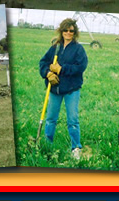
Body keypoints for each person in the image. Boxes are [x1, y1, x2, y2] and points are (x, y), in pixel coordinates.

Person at [39, 18, 88, 159]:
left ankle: (76, 148)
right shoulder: (55, 47)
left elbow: (80, 67)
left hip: (72, 90)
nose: (68, 33)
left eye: (71, 30)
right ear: (61, 31)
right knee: (50, 119)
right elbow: (43, 62)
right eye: (65, 30)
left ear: (75, 32)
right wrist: (47, 73)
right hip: (54, 90)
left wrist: (61, 69)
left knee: (72, 120)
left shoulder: (78, 49)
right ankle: (48, 145)